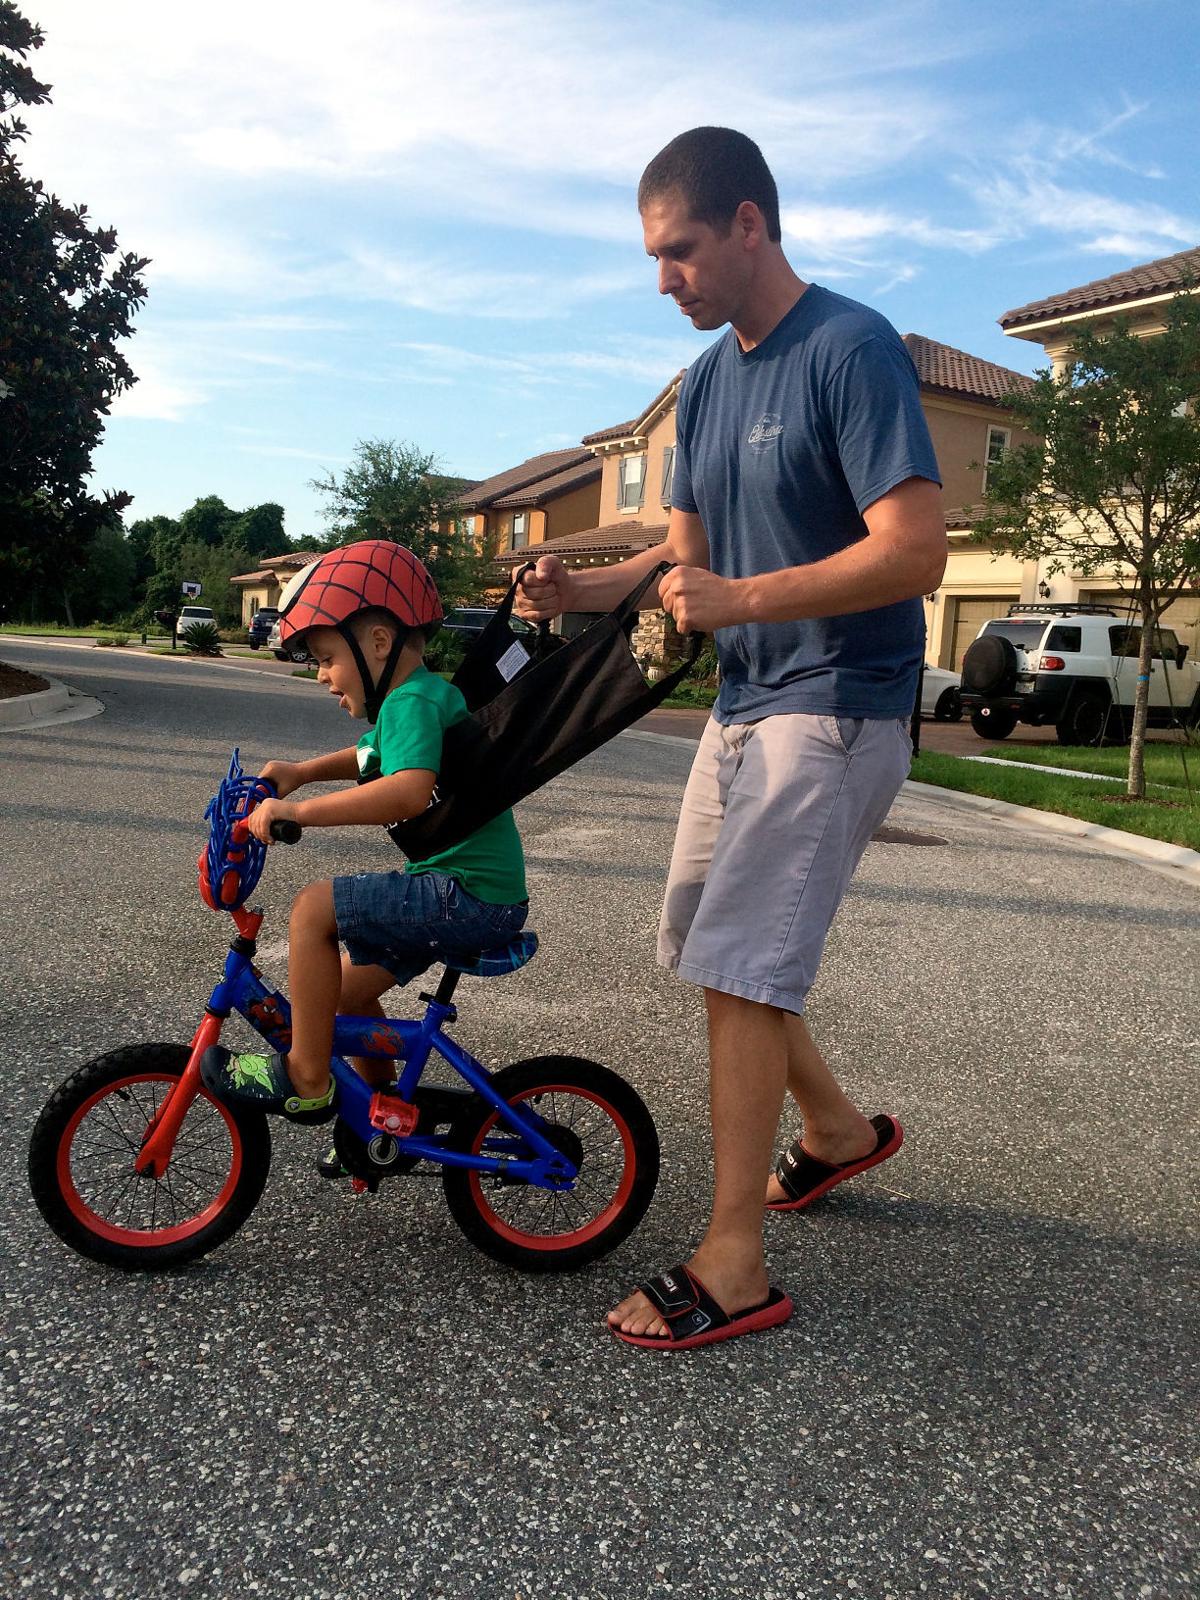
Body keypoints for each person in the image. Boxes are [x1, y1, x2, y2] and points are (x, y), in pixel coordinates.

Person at [515, 127, 947, 1351]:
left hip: (840, 703)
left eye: (681, 252)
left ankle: (735, 1261)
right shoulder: (707, 382)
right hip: (745, 706)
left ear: (749, 224)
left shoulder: (850, 349)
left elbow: (916, 550)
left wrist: (745, 602)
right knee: (711, 949)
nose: (667, 281)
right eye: (656, 259)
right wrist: (584, 591)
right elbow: (683, 559)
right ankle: (838, 1137)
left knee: (748, 967)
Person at [201, 539, 529, 1127]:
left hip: (466, 896)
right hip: (464, 892)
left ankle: (307, 1075)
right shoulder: (416, 701)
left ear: (378, 642)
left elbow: (405, 789)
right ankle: (382, 1116)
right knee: (345, 997)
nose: (324, 676)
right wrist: (301, 774)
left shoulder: (411, 703)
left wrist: (298, 813)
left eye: (327, 657)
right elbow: (366, 756)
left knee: (312, 910)